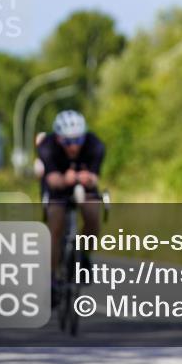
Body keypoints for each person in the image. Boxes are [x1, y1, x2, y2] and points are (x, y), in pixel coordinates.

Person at [38, 109, 105, 304]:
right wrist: (65, 179)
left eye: (78, 141)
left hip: (83, 186)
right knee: (56, 225)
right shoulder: (47, 146)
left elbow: (94, 178)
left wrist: (88, 179)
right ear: (59, 139)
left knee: (93, 216)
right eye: (68, 142)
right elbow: (52, 180)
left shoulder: (95, 145)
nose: (74, 147)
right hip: (58, 186)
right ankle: (51, 279)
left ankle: (83, 255)